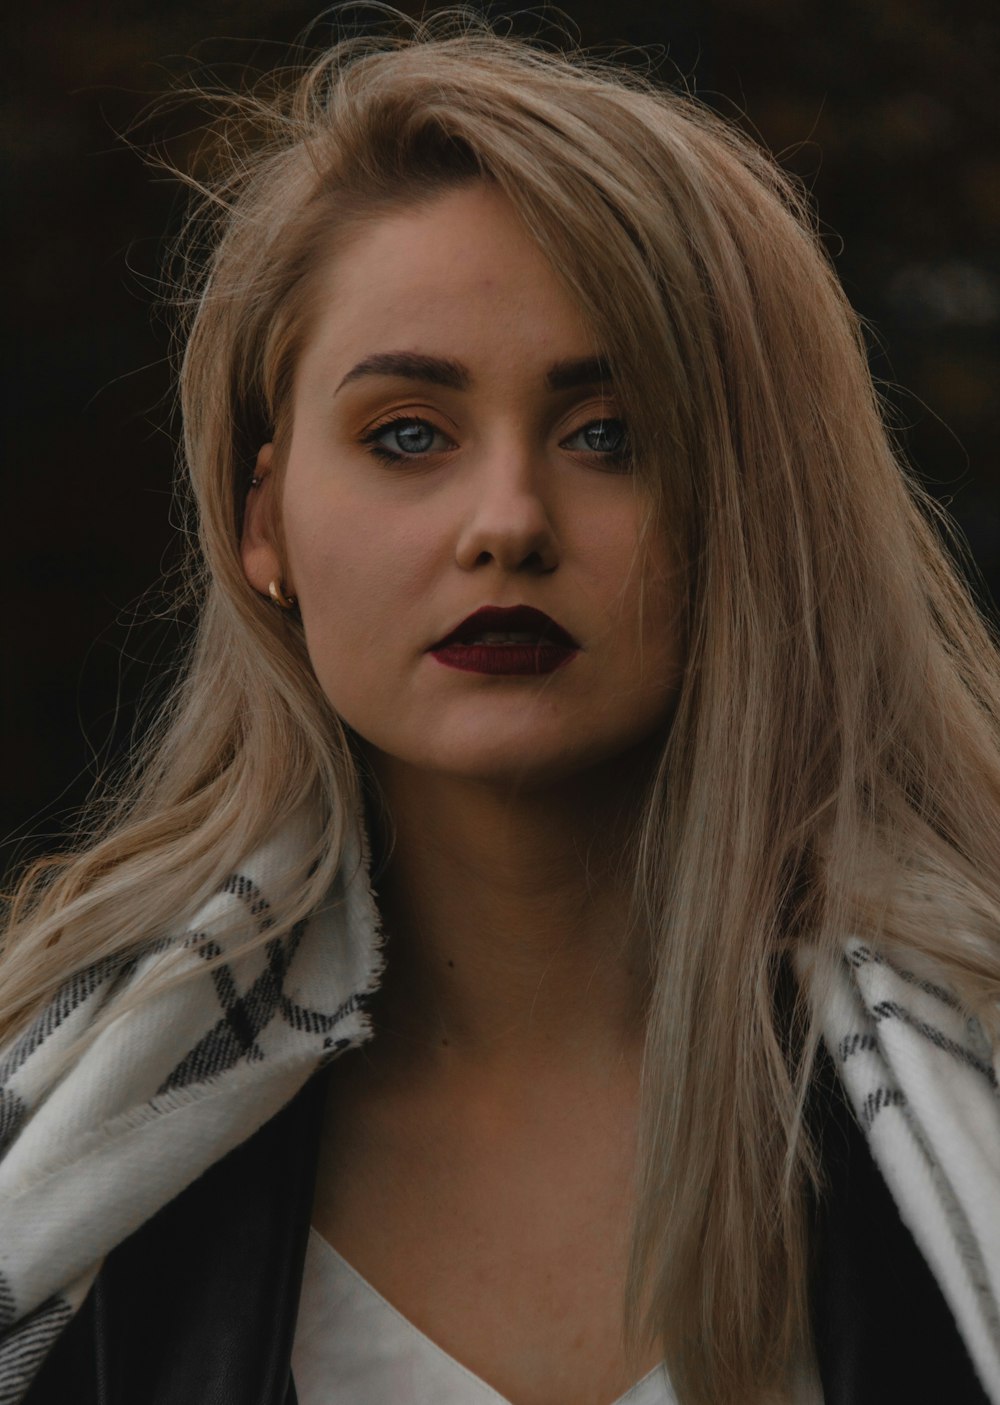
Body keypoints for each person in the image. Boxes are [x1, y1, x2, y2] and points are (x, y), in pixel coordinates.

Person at [1, 12, 998, 1405]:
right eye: (408, 433)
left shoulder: (965, 1097)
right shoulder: (55, 1159)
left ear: (765, 511)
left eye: (612, 435)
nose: (508, 523)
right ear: (261, 520)